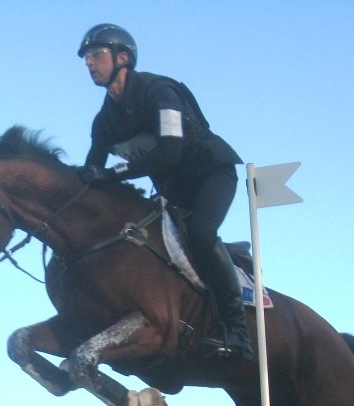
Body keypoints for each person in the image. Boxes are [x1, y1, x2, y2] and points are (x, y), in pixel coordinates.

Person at [76, 23, 253, 362]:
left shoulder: (159, 92)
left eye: (95, 55)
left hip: (211, 174)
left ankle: (237, 331)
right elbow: (90, 175)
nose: (88, 63)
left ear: (123, 57)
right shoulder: (104, 122)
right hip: (174, 191)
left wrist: (112, 173)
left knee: (200, 233)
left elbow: (169, 153)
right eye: (86, 58)